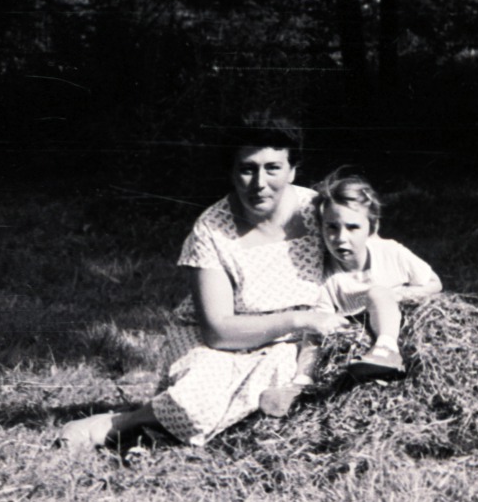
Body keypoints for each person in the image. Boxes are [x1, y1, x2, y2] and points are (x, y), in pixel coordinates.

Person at [57, 119, 346, 451]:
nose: (260, 183)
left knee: (281, 387)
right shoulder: (211, 229)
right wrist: (301, 319)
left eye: (273, 168)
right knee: (194, 409)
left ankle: (164, 429)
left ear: (292, 171)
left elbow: (368, 256)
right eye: (247, 169)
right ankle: (121, 423)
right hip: (218, 338)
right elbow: (218, 330)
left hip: (289, 342)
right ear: (231, 172)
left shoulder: (319, 212)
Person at [313, 172, 441, 382]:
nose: (341, 238)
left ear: (372, 228)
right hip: (357, 338)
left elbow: (435, 283)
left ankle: (387, 348)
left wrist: (396, 295)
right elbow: (321, 322)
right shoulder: (326, 276)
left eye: (353, 227)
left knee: (378, 292)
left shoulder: (390, 253)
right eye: (332, 227)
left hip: (401, 324)